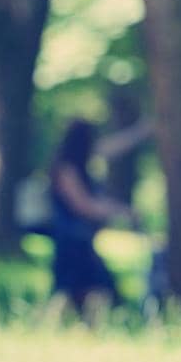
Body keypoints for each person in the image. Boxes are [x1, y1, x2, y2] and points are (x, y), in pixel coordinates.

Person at [47, 117, 144, 315]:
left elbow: (112, 147)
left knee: (81, 292)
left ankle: (83, 333)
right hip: (71, 241)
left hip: (80, 240)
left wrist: (143, 130)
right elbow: (83, 205)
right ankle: (69, 331)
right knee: (78, 291)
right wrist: (121, 210)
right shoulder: (67, 169)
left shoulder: (77, 163)